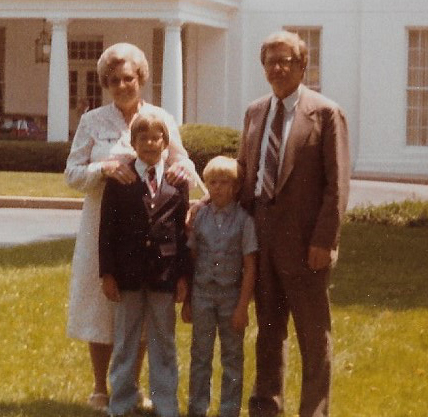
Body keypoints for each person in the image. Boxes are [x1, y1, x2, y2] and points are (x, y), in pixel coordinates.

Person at [64, 42, 196, 412]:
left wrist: (183, 172)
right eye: (115, 80)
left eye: (129, 78)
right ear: (106, 84)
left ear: (141, 80)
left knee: (141, 300)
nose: (123, 85)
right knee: (102, 306)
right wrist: (102, 169)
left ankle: (135, 386)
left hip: (153, 229)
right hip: (103, 226)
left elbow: (182, 161)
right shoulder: (92, 121)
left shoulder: (161, 118)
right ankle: (100, 387)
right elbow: (71, 175)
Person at [237, 31, 350, 417]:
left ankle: (314, 410)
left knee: (313, 335)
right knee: (268, 331)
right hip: (261, 239)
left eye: (286, 60)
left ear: (303, 66)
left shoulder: (325, 113)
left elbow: (337, 186)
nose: (278, 67)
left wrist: (325, 240)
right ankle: (266, 406)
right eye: (271, 61)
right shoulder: (254, 112)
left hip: (306, 244)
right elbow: (245, 173)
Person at [99, 113, 190, 417]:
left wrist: (182, 277)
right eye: (143, 138)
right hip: (127, 275)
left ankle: (165, 404)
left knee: (164, 341)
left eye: (156, 138)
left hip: (164, 275)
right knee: (125, 340)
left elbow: (181, 233)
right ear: (133, 143)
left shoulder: (177, 181)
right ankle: (121, 402)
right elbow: (107, 230)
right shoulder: (120, 180)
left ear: (165, 143)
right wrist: (108, 273)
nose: (150, 143)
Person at [182, 156, 258, 417]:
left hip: (231, 297)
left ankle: (229, 410)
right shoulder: (200, 217)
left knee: (232, 357)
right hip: (203, 294)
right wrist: (190, 300)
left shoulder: (244, 221)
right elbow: (192, 260)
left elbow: (250, 266)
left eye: (225, 183)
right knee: (200, 354)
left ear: (236, 188)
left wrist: (242, 307)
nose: (218, 188)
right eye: (213, 182)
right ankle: (197, 408)